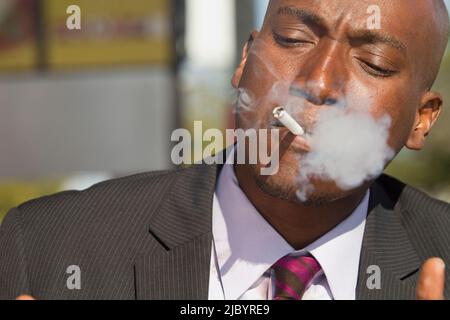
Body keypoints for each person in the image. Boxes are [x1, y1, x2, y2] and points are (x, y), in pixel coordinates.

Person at [1, 0, 449, 300]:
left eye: (374, 64)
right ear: (244, 61)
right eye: (294, 38)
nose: (317, 82)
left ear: (422, 118)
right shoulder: (50, 248)